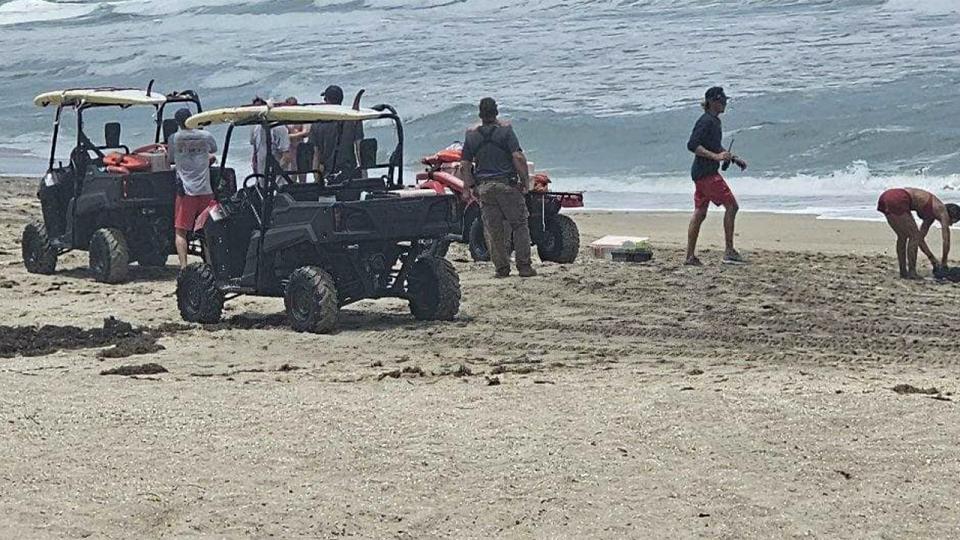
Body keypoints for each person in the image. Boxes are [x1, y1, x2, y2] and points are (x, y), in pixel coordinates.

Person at [460, 97, 535, 278]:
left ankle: (501, 269)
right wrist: (525, 182)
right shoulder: (506, 132)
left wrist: (468, 187)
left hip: (485, 188)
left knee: (493, 230)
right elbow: (518, 157)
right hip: (506, 185)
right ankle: (524, 266)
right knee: (519, 225)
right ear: (496, 112)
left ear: (480, 114)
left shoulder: (471, 136)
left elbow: (464, 165)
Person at [685, 86, 747, 266]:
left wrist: (732, 158)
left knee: (700, 212)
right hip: (707, 174)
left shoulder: (714, 121)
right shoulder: (706, 121)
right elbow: (692, 145)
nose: (725, 103)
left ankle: (690, 257)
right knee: (732, 206)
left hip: (700, 173)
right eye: (722, 100)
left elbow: (714, 145)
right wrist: (716, 157)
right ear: (712, 102)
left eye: (725, 100)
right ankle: (729, 251)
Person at [167, 107, 218, 270]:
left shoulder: (174, 138)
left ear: (177, 123)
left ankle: (183, 266)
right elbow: (213, 150)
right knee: (208, 229)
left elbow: (171, 159)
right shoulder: (205, 136)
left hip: (186, 191)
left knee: (181, 231)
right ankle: (211, 263)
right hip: (205, 190)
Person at [877, 187, 960, 279]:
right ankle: (912, 272)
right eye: (953, 221)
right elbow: (946, 240)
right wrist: (944, 262)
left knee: (903, 236)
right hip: (899, 198)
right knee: (913, 236)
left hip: (887, 196)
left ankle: (903, 272)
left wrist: (933, 260)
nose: (951, 224)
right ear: (952, 215)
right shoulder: (942, 209)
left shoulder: (931, 214)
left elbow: (920, 240)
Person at [309, 85, 364, 183]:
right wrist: (364, 178)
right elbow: (360, 150)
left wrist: (317, 181)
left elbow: (316, 155)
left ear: (327, 100)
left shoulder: (317, 123)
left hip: (328, 177)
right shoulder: (353, 119)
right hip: (350, 177)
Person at [284, 96, 311, 182]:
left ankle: (303, 191)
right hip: (289, 148)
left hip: (300, 147)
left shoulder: (301, 117)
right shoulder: (284, 119)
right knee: (292, 172)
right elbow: (283, 135)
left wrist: (292, 135)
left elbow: (306, 132)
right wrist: (297, 134)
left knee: (302, 173)